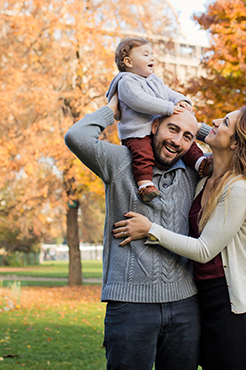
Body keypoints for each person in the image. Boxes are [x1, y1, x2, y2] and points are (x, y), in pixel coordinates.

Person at [113, 106, 246, 370]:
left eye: (224, 122)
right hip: (203, 296)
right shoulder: (205, 177)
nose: (213, 122)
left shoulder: (238, 188)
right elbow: (194, 132)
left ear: (237, 143)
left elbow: (205, 250)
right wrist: (180, 114)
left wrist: (150, 229)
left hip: (231, 301)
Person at [64, 94, 209, 370]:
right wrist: (115, 109)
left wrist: (193, 121)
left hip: (185, 305)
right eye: (172, 128)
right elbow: (76, 137)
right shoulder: (120, 161)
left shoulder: (194, 172)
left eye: (188, 137)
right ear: (154, 126)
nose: (177, 141)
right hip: (130, 306)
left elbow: (237, 148)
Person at [107, 36, 210, 202]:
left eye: (152, 55)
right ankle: (145, 184)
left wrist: (180, 100)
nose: (152, 58)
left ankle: (201, 163)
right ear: (128, 62)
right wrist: (168, 108)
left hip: (157, 129)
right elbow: (139, 101)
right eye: (146, 55)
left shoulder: (154, 80)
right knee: (143, 155)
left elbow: (168, 93)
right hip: (137, 131)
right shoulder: (126, 82)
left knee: (186, 143)